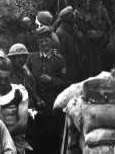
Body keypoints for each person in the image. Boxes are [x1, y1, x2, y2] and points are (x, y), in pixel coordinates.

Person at [26, 25, 66, 154]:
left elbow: (66, 82)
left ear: (51, 41)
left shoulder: (59, 60)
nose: (44, 43)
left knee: (52, 138)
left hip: (52, 105)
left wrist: (52, 81)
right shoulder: (31, 59)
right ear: (37, 42)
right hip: (34, 105)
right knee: (34, 137)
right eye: (41, 41)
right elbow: (26, 80)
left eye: (46, 40)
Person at [0, 67, 31, 153]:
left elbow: (22, 124)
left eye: (6, 79)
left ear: (11, 78)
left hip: (14, 140)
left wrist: (1, 138)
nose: (3, 82)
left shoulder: (20, 92)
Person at [7, 43, 44, 109]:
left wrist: (38, 99)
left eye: (23, 57)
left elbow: (32, 90)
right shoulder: (6, 75)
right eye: (18, 57)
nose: (21, 59)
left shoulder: (27, 74)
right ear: (12, 58)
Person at [55, 6, 84, 83]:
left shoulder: (73, 29)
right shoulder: (60, 33)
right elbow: (60, 54)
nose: (74, 17)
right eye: (72, 15)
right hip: (68, 68)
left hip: (76, 65)